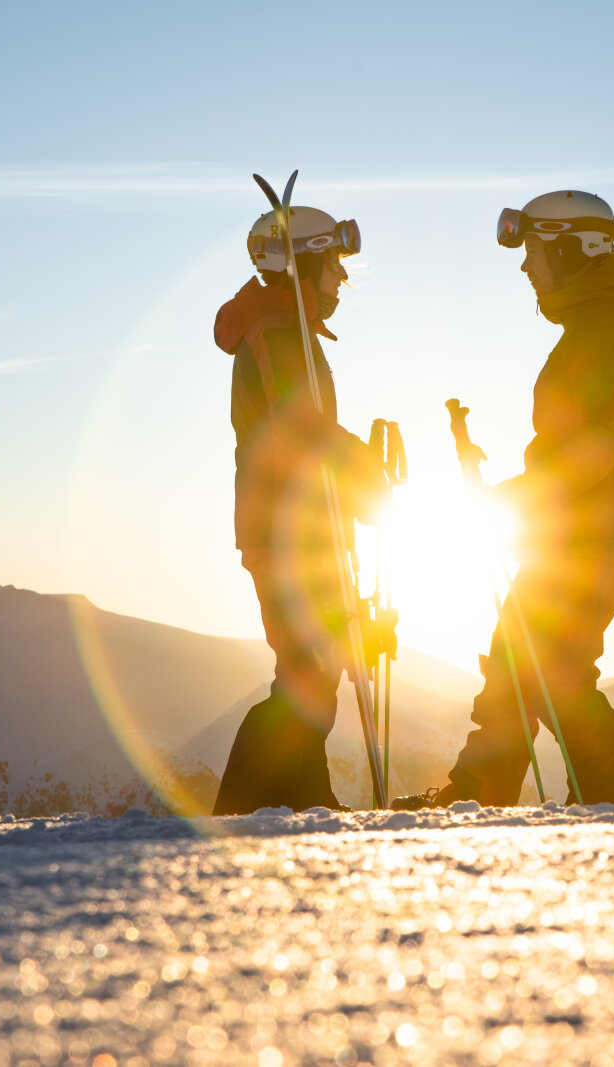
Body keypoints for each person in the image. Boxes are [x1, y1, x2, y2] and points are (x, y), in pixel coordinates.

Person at [403, 190, 614, 808]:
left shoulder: (601, 326)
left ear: (571, 250)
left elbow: (598, 443)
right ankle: (478, 797)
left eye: (535, 251)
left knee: (552, 676)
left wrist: (513, 500)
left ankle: (604, 807)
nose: (525, 267)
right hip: (569, 540)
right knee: (516, 672)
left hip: (587, 543)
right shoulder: (593, 324)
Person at [209, 202, 387, 816]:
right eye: (332, 267)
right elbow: (300, 428)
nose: (340, 281)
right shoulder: (277, 334)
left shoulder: (288, 331)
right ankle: (236, 814)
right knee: (309, 674)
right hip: (288, 533)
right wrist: (365, 474)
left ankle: (308, 802)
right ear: (299, 265)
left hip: (298, 528)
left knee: (312, 670)